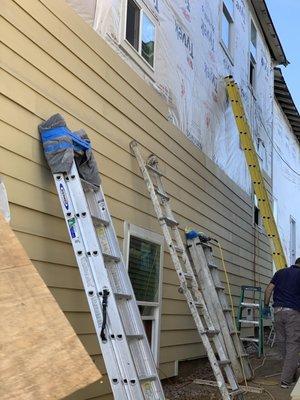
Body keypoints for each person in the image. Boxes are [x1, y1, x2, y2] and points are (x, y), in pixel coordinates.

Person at [264, 257, 300, 389]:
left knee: (283, 344)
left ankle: (292, 375)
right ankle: (285, 380)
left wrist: (266, 306)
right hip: (293, 314)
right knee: (293, 345)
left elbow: (268, 290)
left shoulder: (280, 272)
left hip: (277, 312)